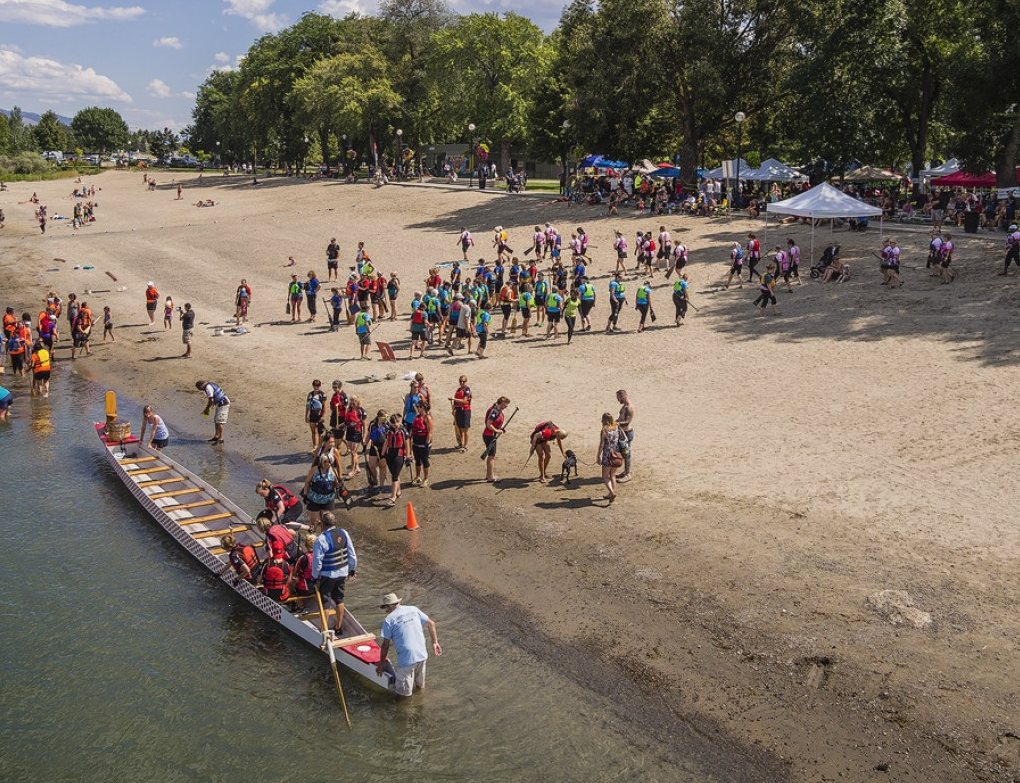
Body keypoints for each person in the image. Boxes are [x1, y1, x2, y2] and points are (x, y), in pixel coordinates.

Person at [376, 592, 442, 699]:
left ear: (389, 606)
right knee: (420, 687)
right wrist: (435, 642)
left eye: (385, 608)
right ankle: (421, 702)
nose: (386, 610)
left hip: (407, 660)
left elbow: (385, 645)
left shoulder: (389, 620)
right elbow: (431, 623)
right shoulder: (413, 609)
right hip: (422, 655)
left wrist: (381, 664)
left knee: (402, 696)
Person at [312, 511, 357, 631]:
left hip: (327, 575)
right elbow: (352, 554)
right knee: (339, 599)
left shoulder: (321, 539)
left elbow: (317, 562)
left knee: (325, 602)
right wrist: (352, 570)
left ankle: (324, 630)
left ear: (322, 524)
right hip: (342, 573)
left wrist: (315, 577)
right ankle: (338, 627)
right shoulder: (344, 533)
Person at [383, 414, 410, 507]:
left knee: (394, 476)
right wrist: (382, 455)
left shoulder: (403, 431)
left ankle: (392, 497)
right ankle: (398, 491)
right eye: (393, 423)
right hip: (389, 454)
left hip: (399, 455)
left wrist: (408, 456)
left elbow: (407, 444)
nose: (396, 425)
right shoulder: (388, 430)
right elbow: (386, 442)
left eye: (397, 422)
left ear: (400, 421)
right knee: (394, 473)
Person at [482, 396, 510, 483]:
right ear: (501, 403)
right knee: (491, 456)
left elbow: (495, 423)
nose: (506, 407)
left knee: (491, 455)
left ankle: (488, 474)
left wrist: (500, 428)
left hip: (491, 435)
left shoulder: (497, 410)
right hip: (489, 435)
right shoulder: (494, 411)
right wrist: (497, 431)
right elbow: (489, 424)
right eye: (505, 405)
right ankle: (490, 477)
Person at [596, 413, 622, 501]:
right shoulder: (617, 426)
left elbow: (602, 445)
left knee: (605, 476)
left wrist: (598, 456)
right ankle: (610, 494)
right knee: (612, 474)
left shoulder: (604, 430)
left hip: (608, 455)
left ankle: (611, 492)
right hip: (617, 453)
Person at [364, 409, 389, 491]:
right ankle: (375, 480)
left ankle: (382, 485)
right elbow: (369, 435)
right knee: (372, 466)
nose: (386, 419)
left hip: (384, 448)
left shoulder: (388, 425)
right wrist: (365, 443)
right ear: (379, 417)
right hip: (374, 447)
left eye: (387, 417)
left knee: (382, 466)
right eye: (384, 417)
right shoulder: (372, 424)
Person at [615, 390, 635, 482]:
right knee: (624, 453)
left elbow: (627, 422)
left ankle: (628, 474)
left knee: (627, 454)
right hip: (623, 432)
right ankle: (625, 471)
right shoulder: (625, 406)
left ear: (623, 397)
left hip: (627, 433)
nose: (618, 400)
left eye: (618, 398)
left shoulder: (629, 408)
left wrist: (616, 423)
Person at [449, 375, 472, 451]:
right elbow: (455, 402)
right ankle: (460, 443)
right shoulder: (459, 389)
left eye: (463, 381)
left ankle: (465, 445)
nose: (462, 383)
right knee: (459, 428)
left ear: (466, 381)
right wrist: (453, 409)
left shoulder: (467, 390)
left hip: (465, 411)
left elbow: (465, 401)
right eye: (460, 381)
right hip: (458, 410)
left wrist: (454, 399)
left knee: (465, 429)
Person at [305, 379, 327, 452]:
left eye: (317, 386)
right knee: (313, 431)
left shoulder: (322, 395)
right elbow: (308, 406)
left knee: (320, 432)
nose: (316, 387)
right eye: (315, 385)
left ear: (319, 386)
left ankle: (320, 446)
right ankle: (315, 446)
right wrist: (306, 415)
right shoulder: (310, 394)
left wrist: (323, 416)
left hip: (319, 415)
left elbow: (324, 406)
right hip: (312, 414)